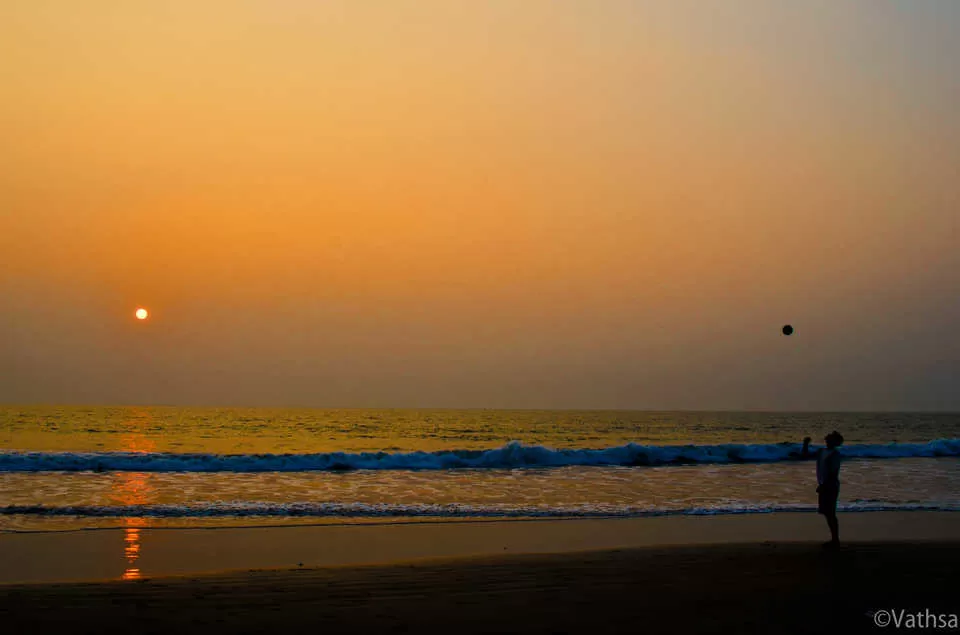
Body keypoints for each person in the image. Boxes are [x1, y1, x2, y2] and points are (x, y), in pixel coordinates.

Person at [816, 431, 844, 547]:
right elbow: (805, 455)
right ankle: (834, 539)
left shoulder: (835, 454)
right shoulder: (821, 451)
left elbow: (833, 472)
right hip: (824, 484)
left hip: (831, 486)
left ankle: (835, 540)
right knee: (827, 513)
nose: (827, 440)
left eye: (830, 439)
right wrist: (805, 444)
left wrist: (823, 486)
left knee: (830, 513)